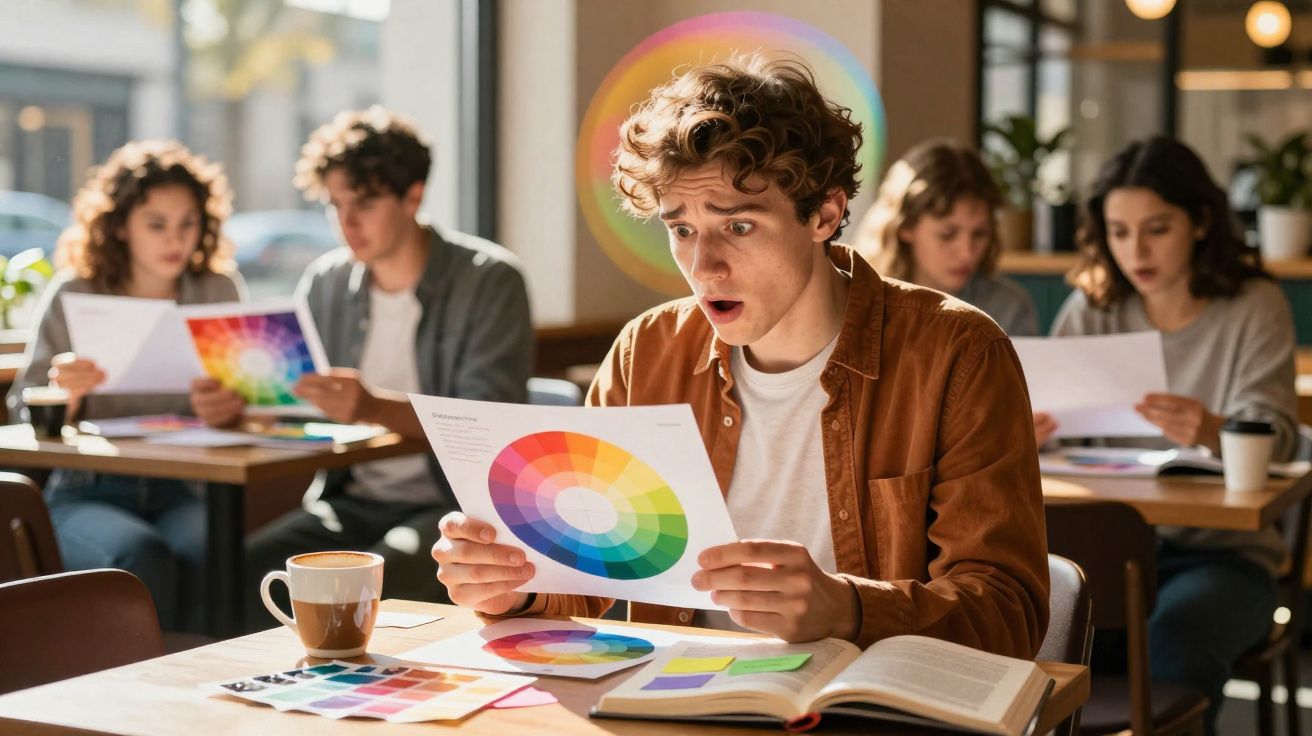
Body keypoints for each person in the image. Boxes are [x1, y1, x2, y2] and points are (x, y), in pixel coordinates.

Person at [431, 56, 1049, 656]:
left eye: (739, 226)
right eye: (681, 230)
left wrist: (849, 608)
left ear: (825, 214)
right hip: (673, 698)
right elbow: (584, 575)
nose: (704, 267)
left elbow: (1008, 614)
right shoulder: (646, 354)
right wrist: (512, 588)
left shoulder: (959, 353)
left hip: (868, 704)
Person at [232, 107, 534, 629]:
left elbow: (485, 425)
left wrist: (370, 406)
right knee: (237, 570)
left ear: (413, 196)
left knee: (375, 578)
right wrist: (240, 404)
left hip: (455, 510)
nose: (346, 223)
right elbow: (293, 403)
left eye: (365, 203)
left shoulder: (489, 280)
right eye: (335, 204)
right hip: (348, 500)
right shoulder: (326, 282)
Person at [1041, 136, 1297, 733]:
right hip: (1106, 554)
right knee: (1038, 635)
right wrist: (1025, 433)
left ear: (1201, 222)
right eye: (1119, 232)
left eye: (1157, 229)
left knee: (1174, 645)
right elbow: (1049, 421)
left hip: (1222, 556)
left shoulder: (1254, 305)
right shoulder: (1092, 308)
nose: (1136, 251)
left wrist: (1212, 429)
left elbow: (1281, 439)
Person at [7, 140, 246, 630]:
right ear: (119, 226)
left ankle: (204, 672)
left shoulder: (215, 291)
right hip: (86, 491)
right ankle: (150, 676)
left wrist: (231, 407)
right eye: (156, 224)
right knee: (139, 553)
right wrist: (64, 395)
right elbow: (19, 411)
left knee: (214, 549)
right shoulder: (75, 291)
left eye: (188, 223)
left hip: (185, 488)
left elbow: (252, 404)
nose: (175, 239)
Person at [853, 139, 1037, 336]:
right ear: (905, 226)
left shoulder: (1008, 308)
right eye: (947, 235)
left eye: (979, 234)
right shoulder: (859, 302)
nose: (967, 254)